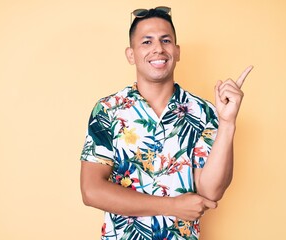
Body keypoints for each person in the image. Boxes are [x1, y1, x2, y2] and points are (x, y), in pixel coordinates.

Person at [80, 6, 253, 240]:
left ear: (177, 51)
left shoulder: (204, 113)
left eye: (166, 40)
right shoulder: (108, 110)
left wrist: (228, 122)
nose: (158, 49)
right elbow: (92, 191)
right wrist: (171, 206)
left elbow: (211, 190)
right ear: (131, 54)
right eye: (147, 42)